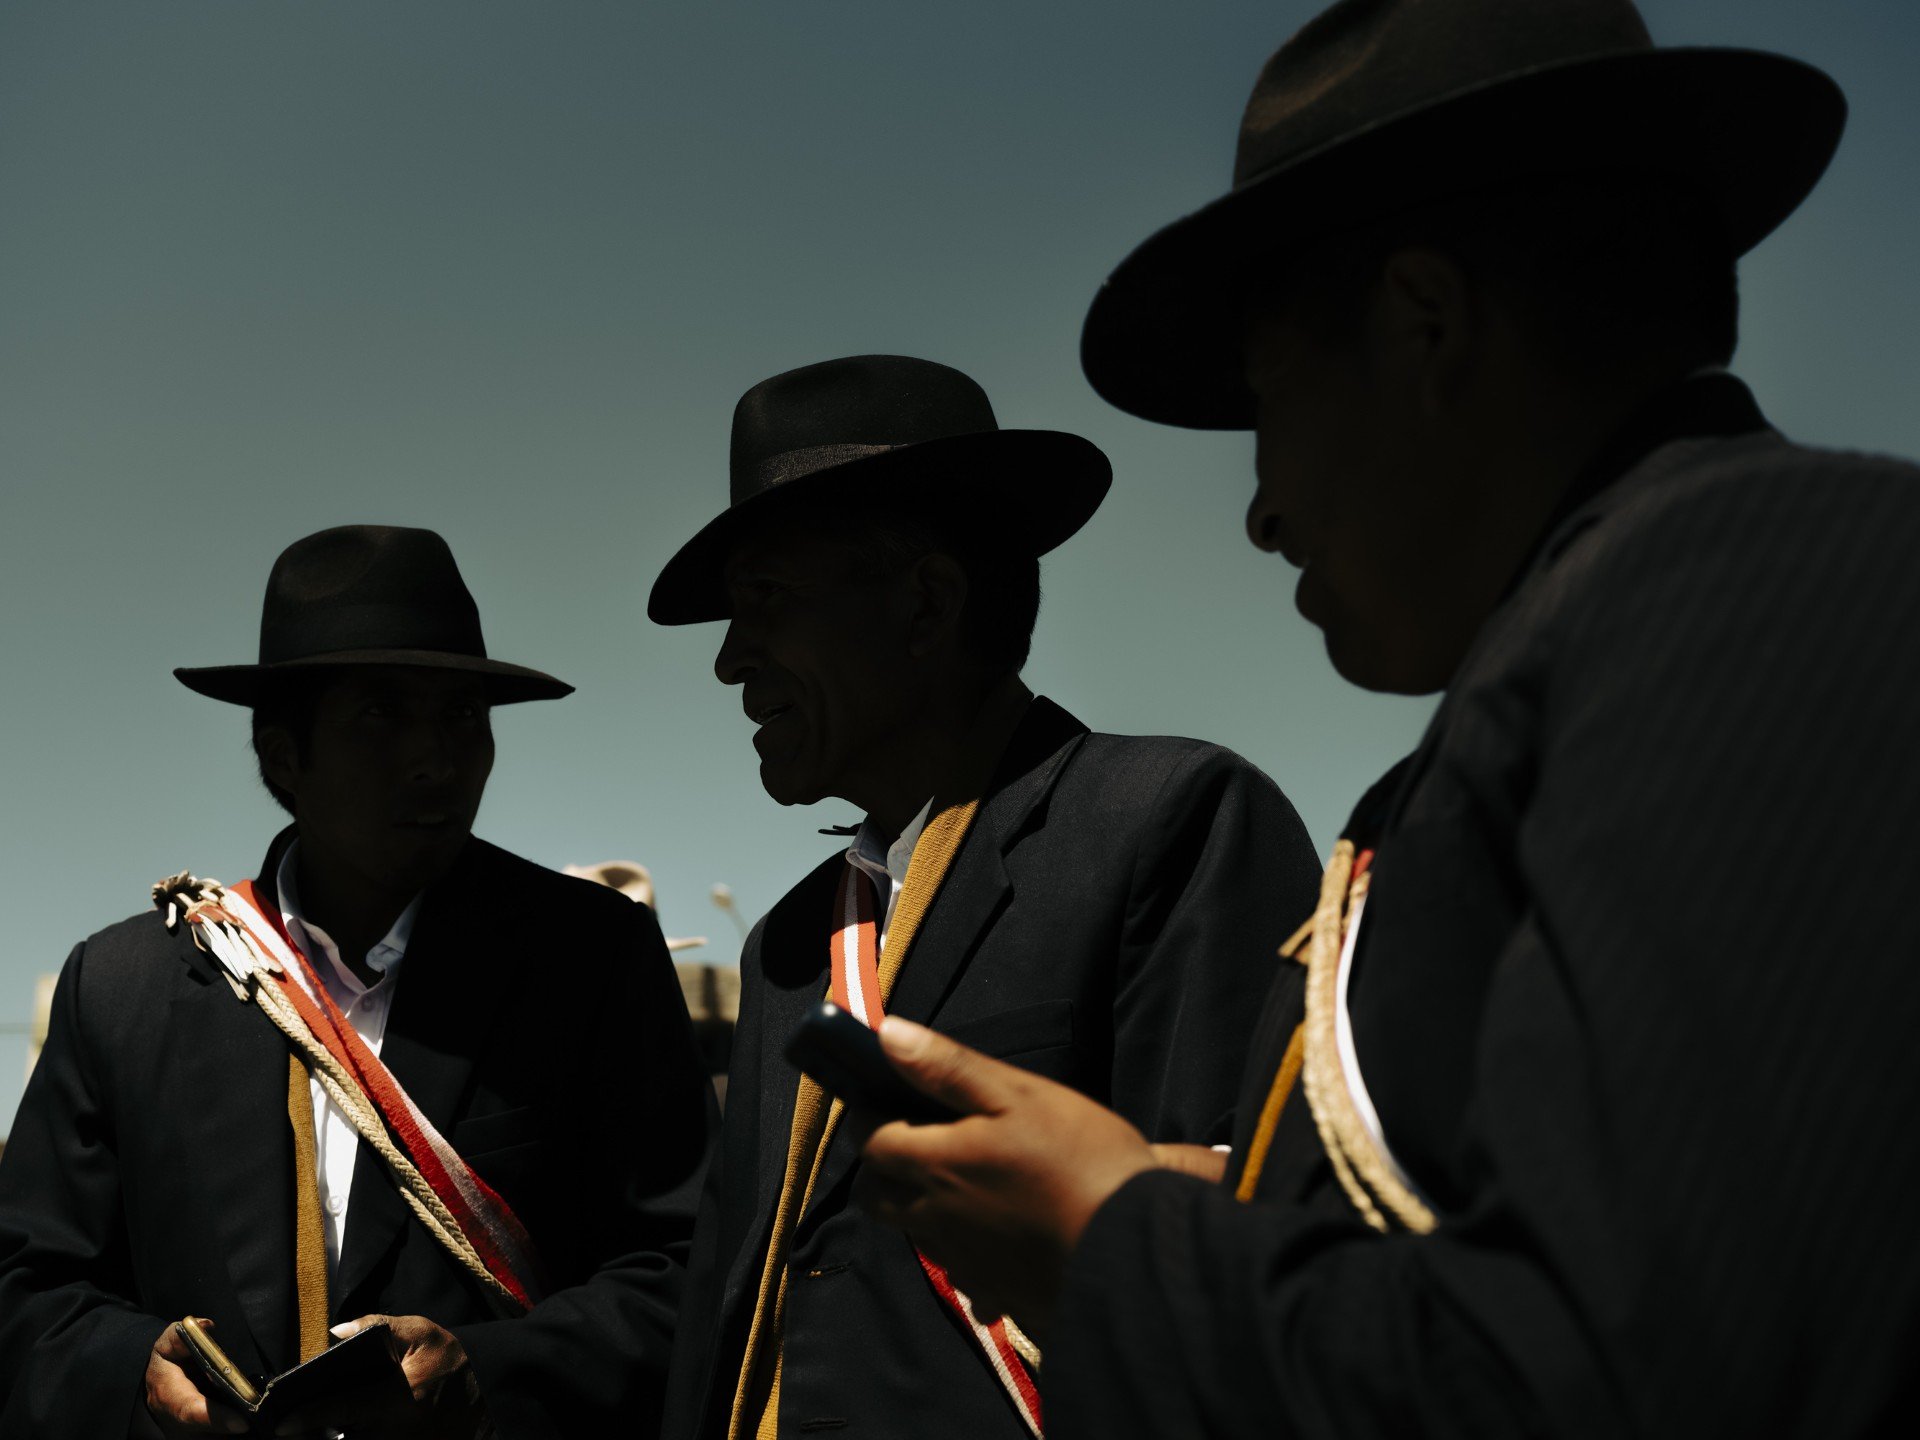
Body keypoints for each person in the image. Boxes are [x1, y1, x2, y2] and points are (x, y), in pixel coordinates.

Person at [854, 1, 1920, 1435]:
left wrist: (1115, 1240)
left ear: (1425, 324)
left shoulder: (1746, 579)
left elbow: (1626, 1370)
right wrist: (1227, 1203)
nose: (1260, 507)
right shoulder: (1601, 644)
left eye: (1266, 404)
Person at [647, 354, 1321, 1439]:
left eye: (764, 603)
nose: (733, 660)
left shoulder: (1168, 821)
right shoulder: (788, 943)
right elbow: (724, 1310)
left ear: (926, 603)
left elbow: (1239, 1283)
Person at [0, 525, 717, 1439]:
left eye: (463, 716)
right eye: (383, 714)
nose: (436, 757)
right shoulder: (123, 988)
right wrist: (132, 1370)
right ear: (283, 757)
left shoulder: (589, 957)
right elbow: (26, 1288)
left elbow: (691, 1263)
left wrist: (489, 1374)